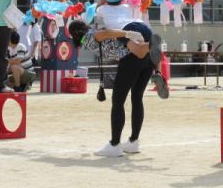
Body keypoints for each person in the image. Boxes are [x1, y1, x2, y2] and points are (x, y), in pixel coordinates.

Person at [68, 19, 162, 157]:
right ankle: (133, 142)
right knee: (137, 98)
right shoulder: (90, 37)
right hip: (147, 61)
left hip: (130, 59)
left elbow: (105, 33)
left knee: (118, 101)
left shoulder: (90, 35)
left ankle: (115, 145)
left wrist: (129, 34)